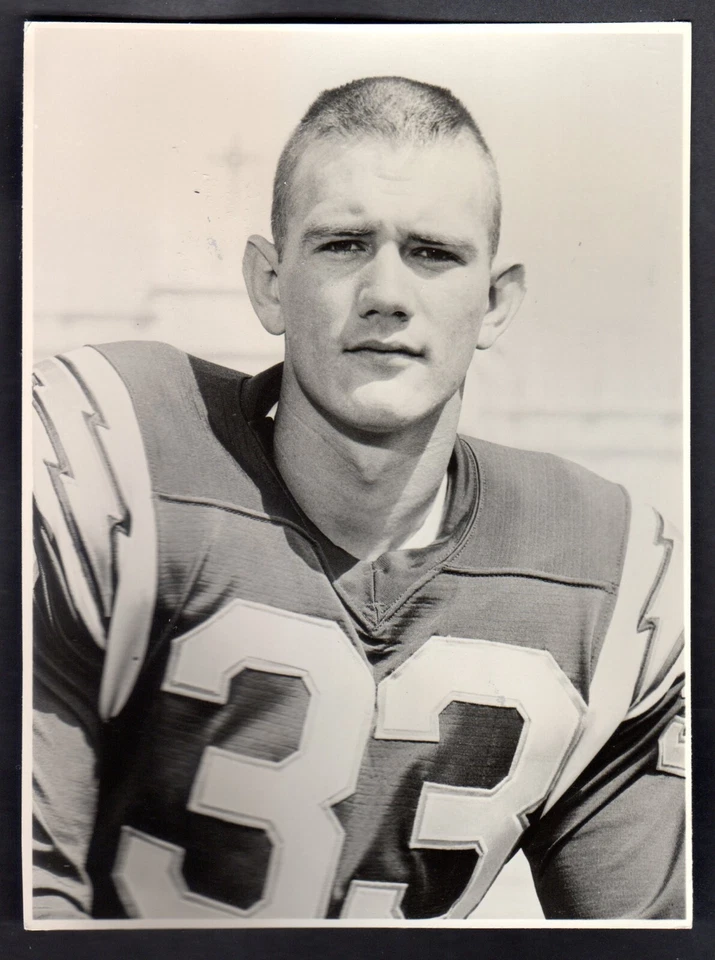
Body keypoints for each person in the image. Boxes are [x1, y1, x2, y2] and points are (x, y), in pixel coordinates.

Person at [31, 76, 685, 923]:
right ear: (269, 282)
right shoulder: (110, 460)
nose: (385, 293)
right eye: (342, 244)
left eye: (432, 253)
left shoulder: (606, 572)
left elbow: (647, 942)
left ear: (493, 302)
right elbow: (26, 906)